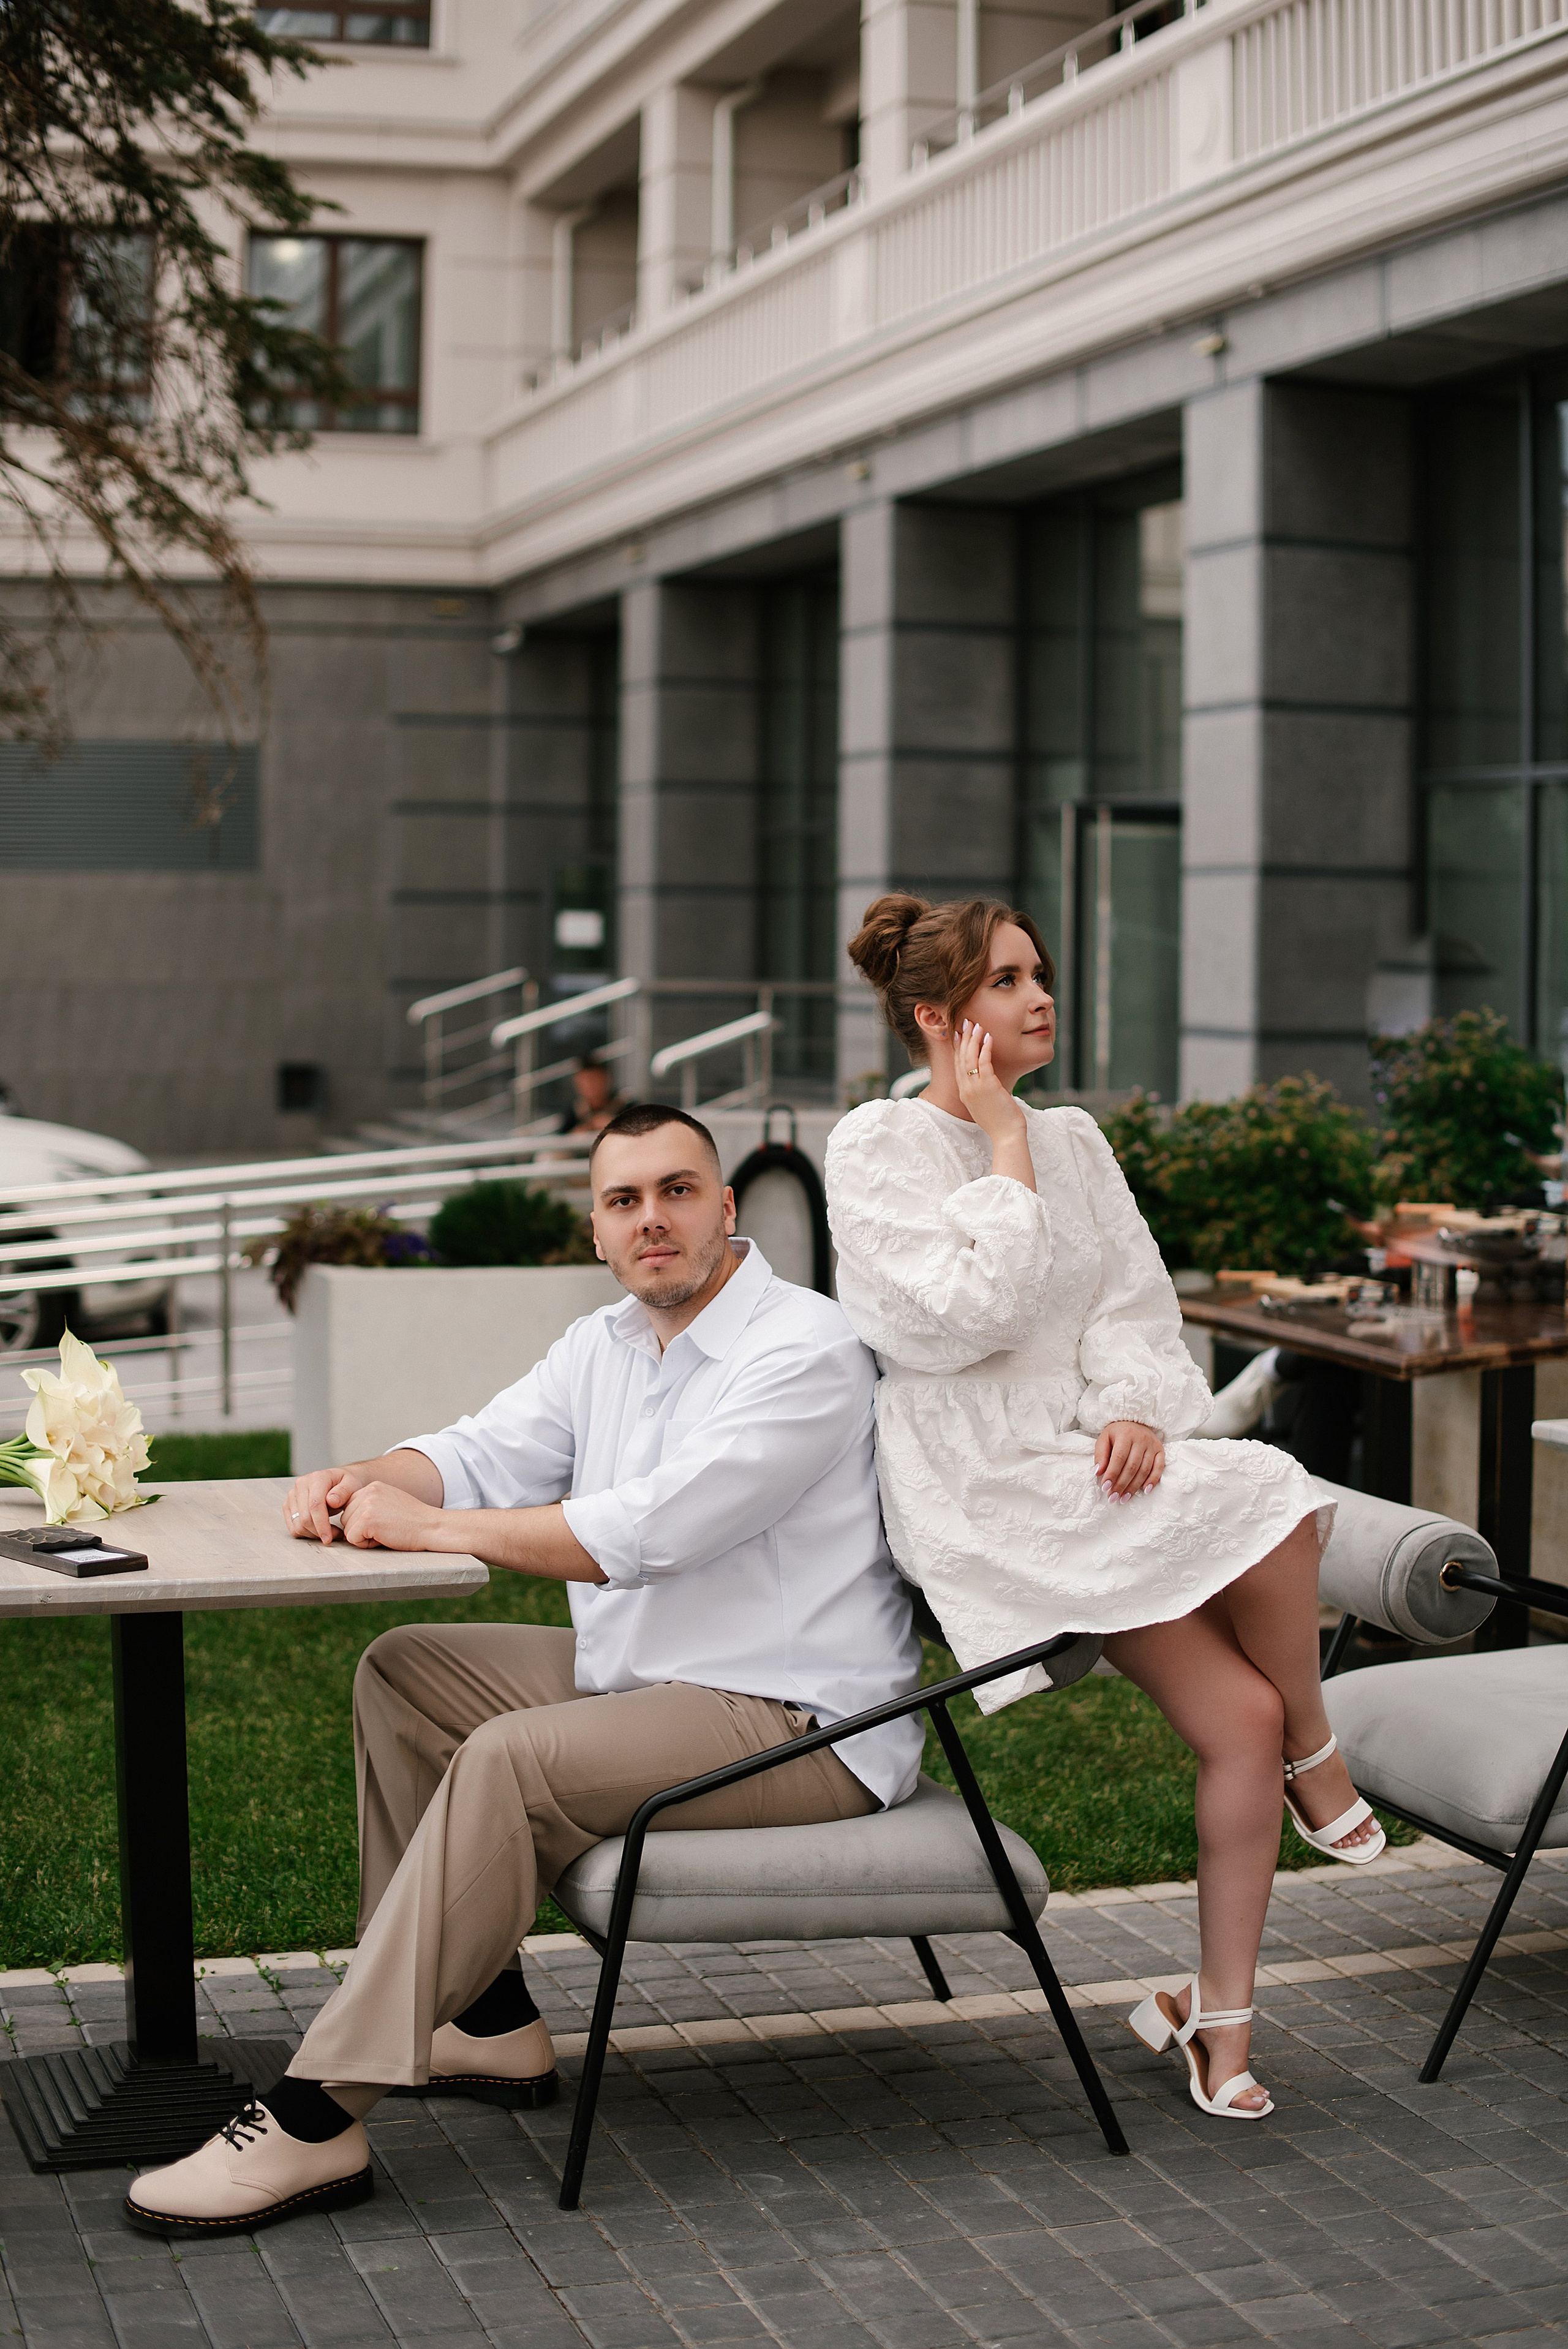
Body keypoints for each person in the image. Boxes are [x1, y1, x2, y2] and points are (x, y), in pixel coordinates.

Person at [124, 1102, 922, 2237]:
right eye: (623, 1200)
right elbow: (480, 1450)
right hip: (652, 1683)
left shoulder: (805, 1348)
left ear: (728, 1206)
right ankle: (484, 2019)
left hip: (797, 1718)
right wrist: (366, 1478)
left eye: (678, 1191)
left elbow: (654, 1530)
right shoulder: (606, 1345)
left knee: (511, 1759)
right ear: (596, 1230)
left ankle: (318, 2112)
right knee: (406, 1669)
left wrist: (433, 1530)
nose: (652, 1220)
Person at [825, 894, 1385, 2125]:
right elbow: (961, 1318)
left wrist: (1132, 1404)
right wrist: (998, 1144)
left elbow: (1131, 1303)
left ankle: (1216, 2021)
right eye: (1007, 980)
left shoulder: (1074, 1138)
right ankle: (1319, 1747)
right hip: (980, 1477)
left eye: (1040, 972)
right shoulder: (875, 1147)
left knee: (1238, 1712)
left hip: (1087, 1459)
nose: (1040, 996)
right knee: (1273, 1484)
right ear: (938, 1016)